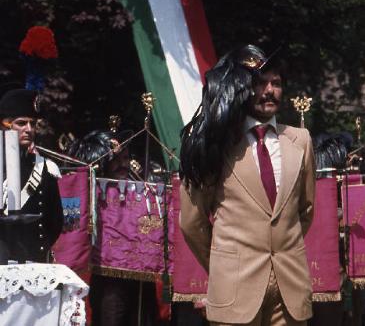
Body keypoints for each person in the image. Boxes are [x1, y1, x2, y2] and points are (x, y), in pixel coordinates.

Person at [179, 44, 316, 326]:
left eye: (276, 83)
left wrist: (280, 251)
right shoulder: (214, 144)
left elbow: (305, 210)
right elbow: (192, 223)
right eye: (260, 83)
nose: (269, 91)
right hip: (234, 289)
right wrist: (225, 263)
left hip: (290, 290)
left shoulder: (300, 140)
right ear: (242, 88)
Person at [68, 129, 158, 326]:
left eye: (126, 157)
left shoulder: (141, 188)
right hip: (108, 274)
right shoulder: (94, 190)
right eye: (116, 159)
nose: (123, 164)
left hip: (141, 274)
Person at [0, 88, 63, 264]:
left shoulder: (45, 168)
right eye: (21, 123)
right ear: (5, 125)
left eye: (33, 124)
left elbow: (55, 221)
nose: (29, 129)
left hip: (32, 261)